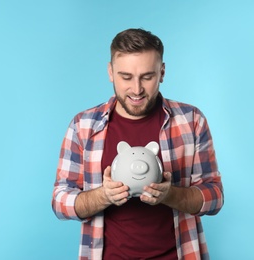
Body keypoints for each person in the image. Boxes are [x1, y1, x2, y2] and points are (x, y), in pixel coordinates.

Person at [52, 28, 224, 260]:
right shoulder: (83, 126)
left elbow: (214, 197)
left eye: (147, 76)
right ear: (110, 72)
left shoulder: (191, 120)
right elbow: (60, 202)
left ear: (162, 73)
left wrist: (169, 195)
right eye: (125, 77)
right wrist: (104, 195)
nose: (136, 89)